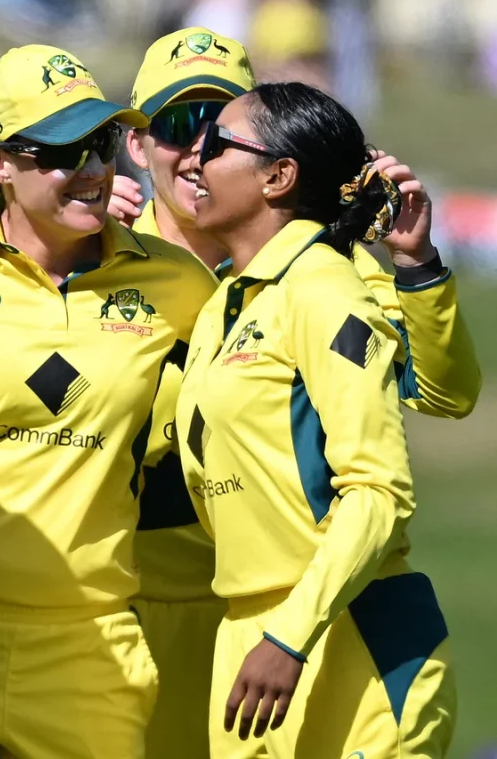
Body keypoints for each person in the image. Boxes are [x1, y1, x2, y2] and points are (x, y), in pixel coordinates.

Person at [109, 26, 480, 759]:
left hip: (312, 612)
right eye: (181, 126)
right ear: (138, 146)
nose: (198, 151)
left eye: (218, 128)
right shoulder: (105, 264)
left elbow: (437, 403)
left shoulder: (325, 274)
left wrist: (415, 267)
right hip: (152, 607)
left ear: (279, 168)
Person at [0, 44, 216, 758]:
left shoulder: (177, 283)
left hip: (90, 643)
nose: (93, 169)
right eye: (62, 152)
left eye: (100, 145)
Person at [179, 80, 456, 758]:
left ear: (278, 176)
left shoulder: (326, 291)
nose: (194, 159)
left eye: (216, 144)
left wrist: (289, 636)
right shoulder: (224, 304)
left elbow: (379, 491)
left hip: (346, 642)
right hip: (248, 638)